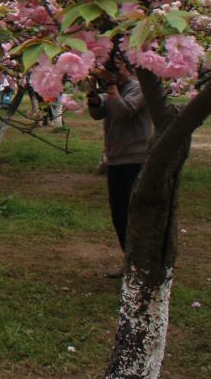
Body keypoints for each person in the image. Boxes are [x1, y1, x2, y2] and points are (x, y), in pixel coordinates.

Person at [87, 55, 153, 268]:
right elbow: (98, 113)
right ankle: (130, 260)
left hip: (135, 159)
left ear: (128, 67)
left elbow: (125, 112)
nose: (114, 75)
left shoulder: (139, 88)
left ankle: (142, 263)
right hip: (115, 160)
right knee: (119, 215)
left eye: (118, 69)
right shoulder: (113, 90)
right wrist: (92, 92)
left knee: (135, 214)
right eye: (110, 71)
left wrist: (111, 87)